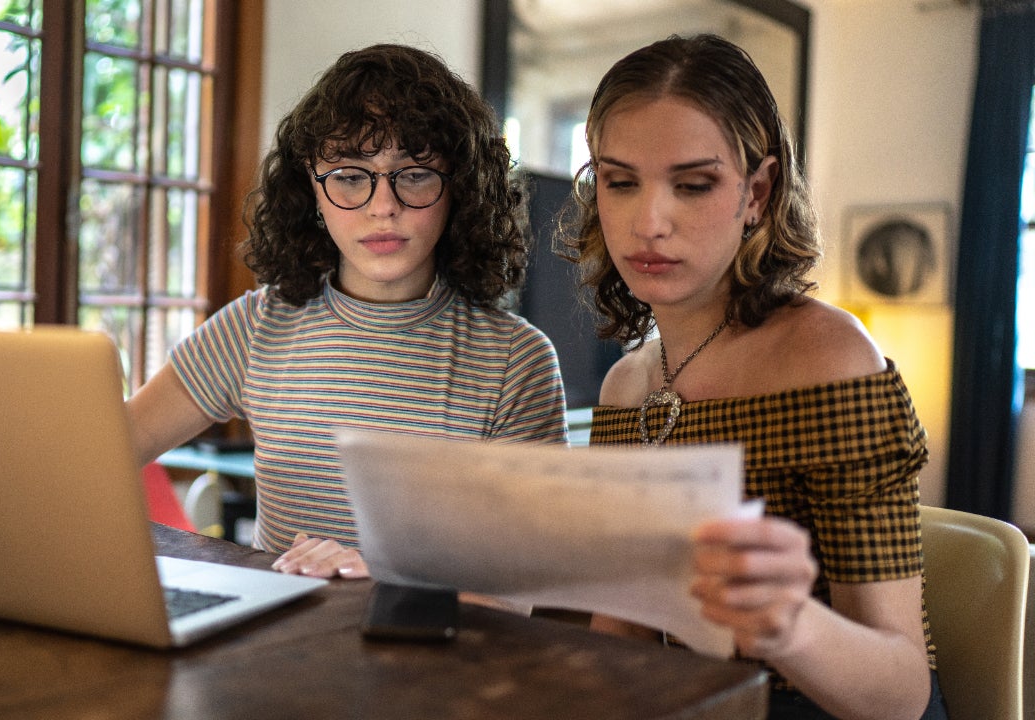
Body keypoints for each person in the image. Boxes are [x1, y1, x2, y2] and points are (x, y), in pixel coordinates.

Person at [560, 34, 947, 720]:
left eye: (693, 184)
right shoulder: (625, 387)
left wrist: (787, 624)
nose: (649, 222)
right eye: (620, 182)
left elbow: (902, 692)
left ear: (757, 193)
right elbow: (623, 637)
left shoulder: (829, 361)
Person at [126, 43, 568, 581]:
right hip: (273, 629)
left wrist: (389, 573)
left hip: (430, 635)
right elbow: (108, 450)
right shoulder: (255, 326)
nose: (384, 207)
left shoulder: (517, 361)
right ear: (311, 189)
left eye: (415, 174)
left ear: (460, 188)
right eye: (351, 176)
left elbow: (533, 574)